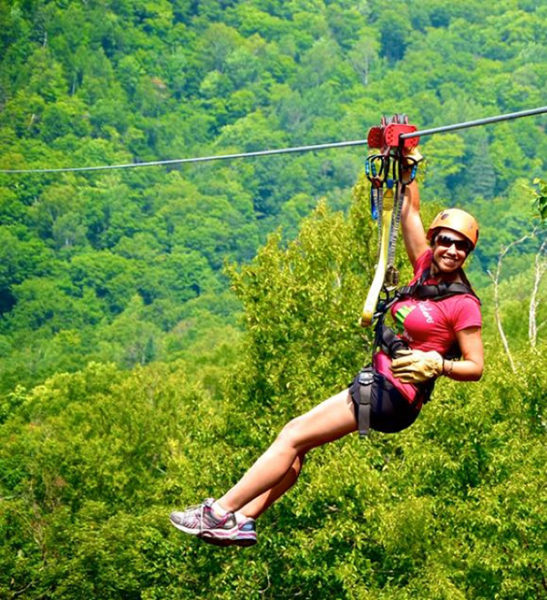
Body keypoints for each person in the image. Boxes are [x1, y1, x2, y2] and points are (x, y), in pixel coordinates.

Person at [169, 167, 484, 547]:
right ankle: (245, 519)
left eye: (461, 246)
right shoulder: (423, 273)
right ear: (434, 242)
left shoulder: (462, 303)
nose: (452, 250)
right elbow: (410, 212)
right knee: (297, 450)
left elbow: (476, 366)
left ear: (468, 254)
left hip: (393, 393)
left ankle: (219, 511)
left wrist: (439, 364)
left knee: (292, 434)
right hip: (383, 385)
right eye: (446, 241)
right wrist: (406, 165)